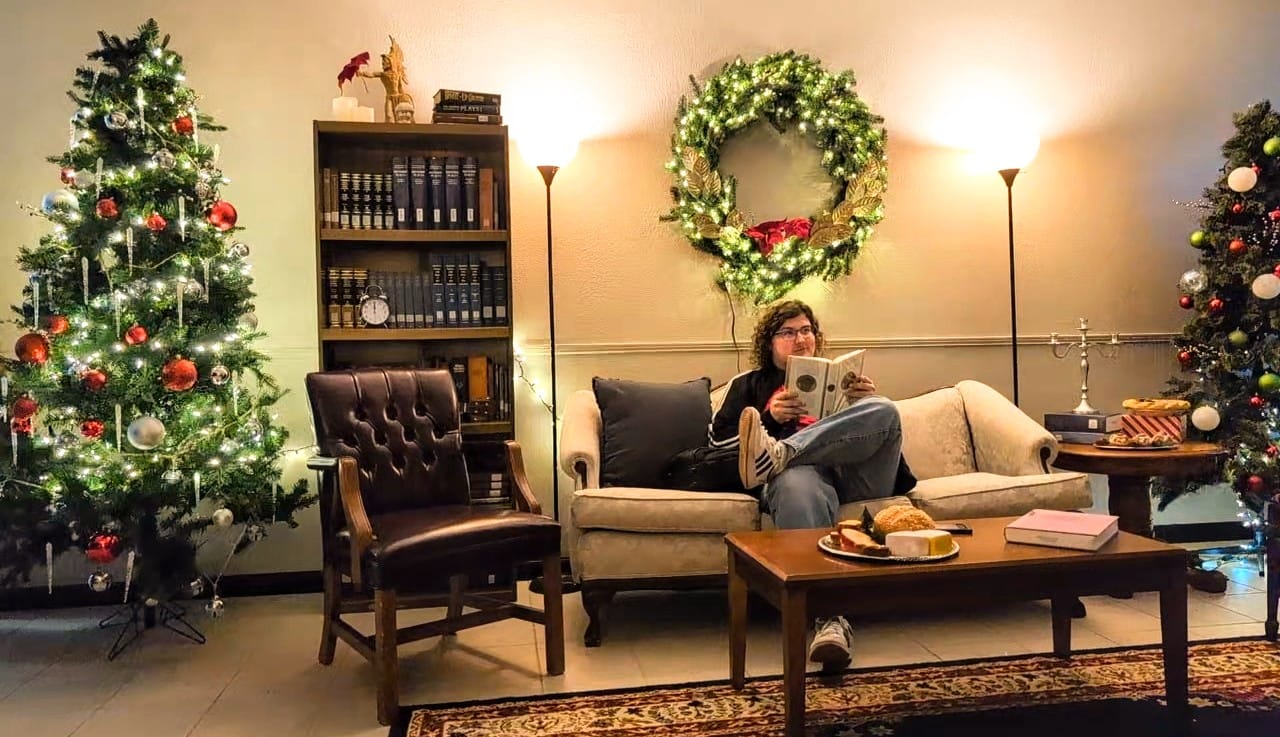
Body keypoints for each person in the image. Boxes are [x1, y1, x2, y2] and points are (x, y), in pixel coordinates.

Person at [670, 299, 915, 669]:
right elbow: (717, 446)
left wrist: (861, 405)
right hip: (802, 478)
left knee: (885, 409)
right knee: (796, 483)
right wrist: (768, 418)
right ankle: (830, 620)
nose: (800, 339)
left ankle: (783, 451)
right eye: (787, 332)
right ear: (769, 343)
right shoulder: (749, 385)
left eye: (806, 330)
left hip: (858, 476)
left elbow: (885, 434)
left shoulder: (844, 381)